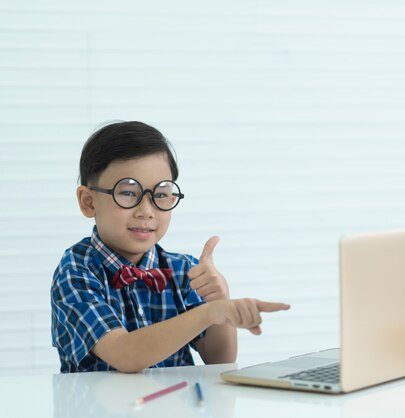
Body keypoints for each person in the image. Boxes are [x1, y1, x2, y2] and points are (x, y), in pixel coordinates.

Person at [50, 121, 290, 373]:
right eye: (129, 193)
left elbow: (220, 361)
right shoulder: (76, 271)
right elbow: (124, 354)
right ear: (89, 202)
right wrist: (208, 313)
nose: (146, 211)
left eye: (161, 194)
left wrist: (220, 301)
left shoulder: (185, 270)